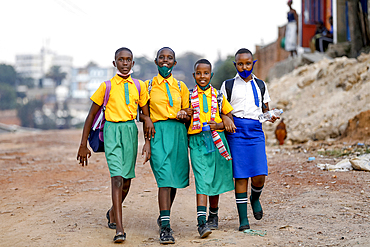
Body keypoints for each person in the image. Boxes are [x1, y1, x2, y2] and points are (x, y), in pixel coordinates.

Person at [77, 47, 151, 243]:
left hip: (130, 132)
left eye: (128, 60)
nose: (125, 63)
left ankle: (111, 212)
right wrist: (82, 144)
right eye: (121, 60)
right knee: (117, 178)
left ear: (133, 63)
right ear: (114, 63)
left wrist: (147, 137)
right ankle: (119, 228)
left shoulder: (139, 85)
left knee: (127, 181)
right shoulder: (106, 86)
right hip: (111, 132)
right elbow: (91, 115)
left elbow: (145, 114)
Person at [220, 48, 278, 231]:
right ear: (235, 64)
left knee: (260, 174)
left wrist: (270, 116)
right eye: (240, 63)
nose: (244, 67)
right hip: (236, 131)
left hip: (255, 131)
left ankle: (255, 197)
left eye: (247, 63)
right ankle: (243, 219)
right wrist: (226, 119)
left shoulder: (261, 85)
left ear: (253, 63)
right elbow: (222, 110)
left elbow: (265, 109)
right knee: (241, 175)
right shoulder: (228, 85)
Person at [178, 59, 234, 238]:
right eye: (199, 73)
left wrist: (221, 122)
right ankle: (202, 223)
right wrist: (185, 115)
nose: (202, 77)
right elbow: (185, 117)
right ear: (194, 75)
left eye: (206, 73)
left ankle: (213, 215)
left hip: (217, 139)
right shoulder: (188, 95)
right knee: (202, 179)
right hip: (197, 141)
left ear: (211, 75)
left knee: (215, 178)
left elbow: (228, 116)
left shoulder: (217, 96)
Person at [142, 47, 190, 244]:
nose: (165, 61)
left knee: (175, 179)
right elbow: (141, 112)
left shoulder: (181, 86)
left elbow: (189, 109)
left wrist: (184, 113)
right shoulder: (148, 86)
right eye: (161, 57)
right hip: (157, 133)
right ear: (156, 61)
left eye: (169, 58)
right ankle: (166, 228)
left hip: (178, 133)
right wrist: (147, 122)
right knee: (164, 179)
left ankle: (164, 215)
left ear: (174, 63)